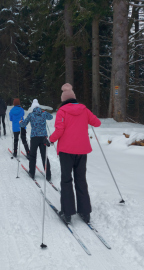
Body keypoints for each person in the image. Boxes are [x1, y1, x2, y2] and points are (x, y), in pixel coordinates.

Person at [49, 83, 101, 224]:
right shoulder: (84, 110)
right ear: (74, 98)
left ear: (64, 99)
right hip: (82, 151)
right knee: (81, 180)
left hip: (66, 151)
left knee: (66, 180)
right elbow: (97, 123)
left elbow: (59, 130)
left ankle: (67, 212)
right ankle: (85, 212)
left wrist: (51, 139)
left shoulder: (62, 111)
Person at [20, 99, 52, 181]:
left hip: (34, 137)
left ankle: (32, 173)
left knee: (33, 155)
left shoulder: (31, 115)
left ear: (32, 108)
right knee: (44, 156)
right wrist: (45, 112)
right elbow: (51, 117)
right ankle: (48, 175)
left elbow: (24, 124)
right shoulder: (44, 114)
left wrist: (20, 122)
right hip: (43, 138)